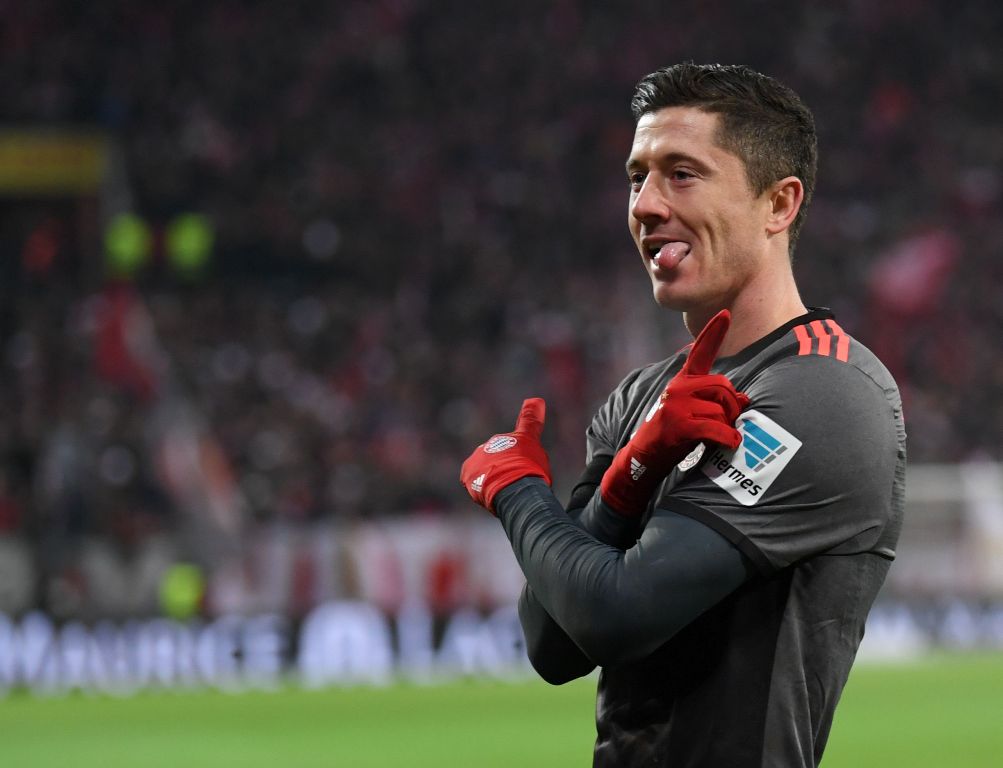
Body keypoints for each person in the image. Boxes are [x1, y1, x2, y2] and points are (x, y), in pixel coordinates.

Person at [460, 62, 906, 767]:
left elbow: (616, 614)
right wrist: (625, 483)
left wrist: (515, 490)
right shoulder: (639, 396)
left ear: (778, 204)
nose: (644, 204)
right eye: (636, 177)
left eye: (682, 174)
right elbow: (553, 645)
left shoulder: (825, 391)